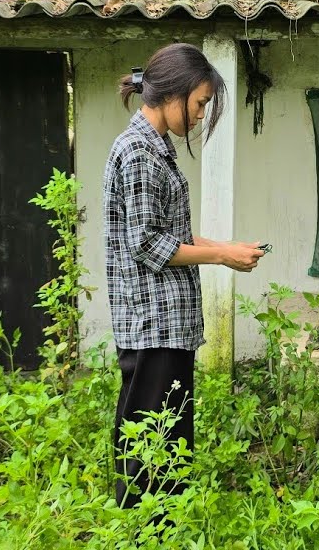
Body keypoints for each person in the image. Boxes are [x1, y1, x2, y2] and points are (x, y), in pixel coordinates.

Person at [103, 42, 265, 508]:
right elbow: (148, 245)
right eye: (199, 104)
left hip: (165, 324)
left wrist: (227, 248)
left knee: (168, 439)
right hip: (150, 324)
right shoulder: (138, 152)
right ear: (172, 93)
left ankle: (165, 525)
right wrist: (219, 259)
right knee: (149, 445)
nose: (199, 116)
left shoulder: (154, 148)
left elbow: (175, 234)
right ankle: (145, 530)